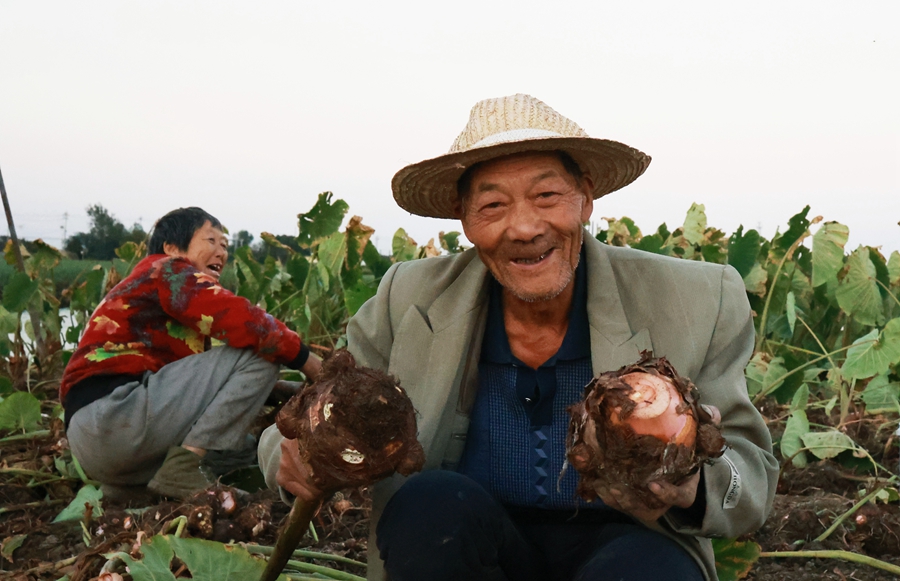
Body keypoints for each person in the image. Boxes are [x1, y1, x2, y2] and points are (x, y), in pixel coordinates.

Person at [259, 94, 778, 581]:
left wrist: (691, 482)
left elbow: (751, 475)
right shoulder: (409, 297)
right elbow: (311, 413)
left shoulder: (696, 297)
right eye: (493, 206)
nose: (525, 227)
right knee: (429, 504)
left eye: (546, 195)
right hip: (469, 545)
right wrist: (294, 453)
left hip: (629, 544)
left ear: (586, 200)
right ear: (464, 220)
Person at [60, 206, 322, 501]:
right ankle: (183, 467)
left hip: (97, 446)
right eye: (211, 241)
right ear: (171, 247)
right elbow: (247, 322)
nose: (221, 252)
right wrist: (310, 363)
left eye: (225, 246)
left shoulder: (158, 299)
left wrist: (274, 391)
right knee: (262, 351)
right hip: (114, 414)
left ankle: (145, 489)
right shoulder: (166, 269)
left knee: (245, 450)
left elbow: (188, 391)